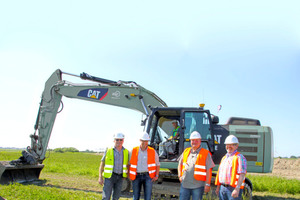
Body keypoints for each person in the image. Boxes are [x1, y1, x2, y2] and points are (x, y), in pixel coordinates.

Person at [177, 131, 215, 200]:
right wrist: (180, 176)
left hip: (198, 186)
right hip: (185, 184)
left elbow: (209, 170)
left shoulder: (205, 153)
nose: (194, 142)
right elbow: (180, 164)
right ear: (190, 141)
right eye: (192, 140)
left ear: (200, 141)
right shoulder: (186, 151)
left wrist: (207, 184)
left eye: (196, 140)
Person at [129, 132, 160, 200]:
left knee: (147, 197)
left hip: (148, 176)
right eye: (143, 141)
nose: (145, 143)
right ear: (140, 140)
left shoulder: (152, 151)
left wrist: (156, 175)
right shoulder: (133, 150)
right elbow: (129, 164)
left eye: (146, 141)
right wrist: (129, 174)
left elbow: (157, 164)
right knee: (136, 197)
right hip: (136, 176)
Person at [215, 135, 247, 200]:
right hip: (222, 188)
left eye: (232, 145)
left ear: (236, 146)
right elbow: (220, 174)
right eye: (227, 145)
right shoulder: (224, 158)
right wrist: (218, 188)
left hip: (233, 189)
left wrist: (237, 189)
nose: (229, 147)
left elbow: (242, 174)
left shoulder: (240, 157)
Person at [98, 133, 129, 200]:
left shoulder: (126, 151)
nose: (119, 141)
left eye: (121, 140)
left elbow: (127, 165)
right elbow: (102, 163)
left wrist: (126, 175)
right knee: (106, 197)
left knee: (116, 197)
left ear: (123, 141)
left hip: (120, 177)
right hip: (110, 177)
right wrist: (100, 177)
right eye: (117, 140)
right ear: (114, 140)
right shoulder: (108, 150)